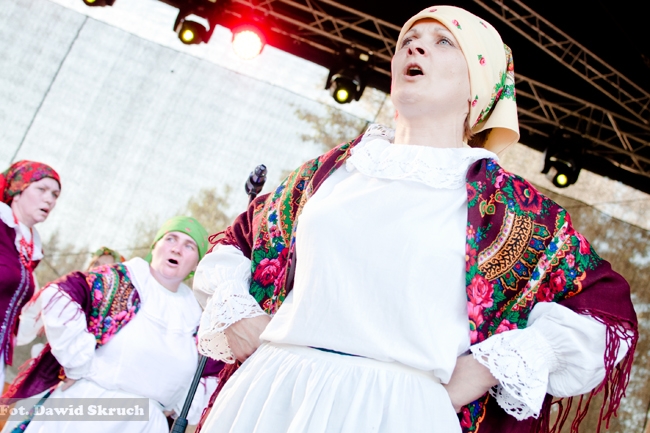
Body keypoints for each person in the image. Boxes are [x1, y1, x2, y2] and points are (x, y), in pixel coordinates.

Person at [192, 6, 638, 433]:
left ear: (477, 87)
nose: (415, 47)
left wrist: (486, 368)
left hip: (401, 413)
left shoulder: (511, 209)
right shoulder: (332, 172)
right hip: (275, 396)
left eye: (443, 41)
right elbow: (236, 245)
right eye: (408, 39)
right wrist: (237, 314)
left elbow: (604, 317)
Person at [1, 216, 218, 433]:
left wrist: (180, 401)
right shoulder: (120, 279)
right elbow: (61, 293)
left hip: (146, 424)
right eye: (171, 239)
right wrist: (77, 363)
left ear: (196, 263)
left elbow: (212, 371)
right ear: (155, 245)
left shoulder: (196, 320)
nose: (177, 249)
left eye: (189, 246)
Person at [0, 160, 61, 387]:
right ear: (17, 191)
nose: (49, 199)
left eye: (55, 195)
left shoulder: (29, 249)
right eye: (41, 189)